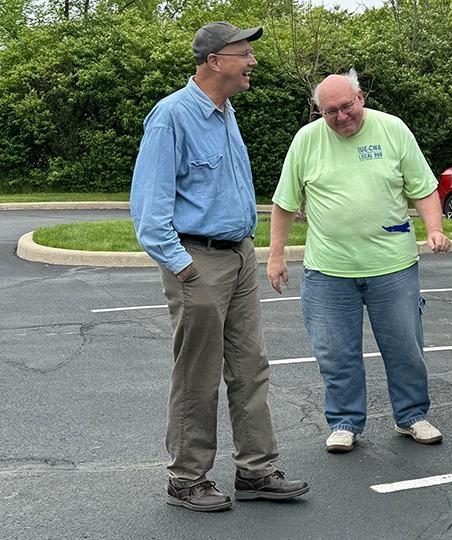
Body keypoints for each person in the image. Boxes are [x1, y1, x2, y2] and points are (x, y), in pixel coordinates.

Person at [130, 21, 308, 512]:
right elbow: (149, 210)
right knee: (198, 375)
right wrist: (184, 268)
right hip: (198, 260)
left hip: (238, 255)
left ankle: (256, 470)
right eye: (243, 54)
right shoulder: (171, 117)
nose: (252, 62)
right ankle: (187, 480)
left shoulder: (225, 112)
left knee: (251, 367)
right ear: (214, 61)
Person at [267, 69, 451, 454]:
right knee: (335, 353)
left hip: (393, 266)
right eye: (329, 111)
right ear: (319, 112)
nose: (340, 117)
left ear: (361, 98)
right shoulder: (306, 140)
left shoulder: (393, 130)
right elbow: (285, 203)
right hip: (328, 271)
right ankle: (345, 422)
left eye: (346, 106)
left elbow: (424, 188)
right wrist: (276, 256)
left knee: (405, 347)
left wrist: (433, 229)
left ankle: (412, 416)